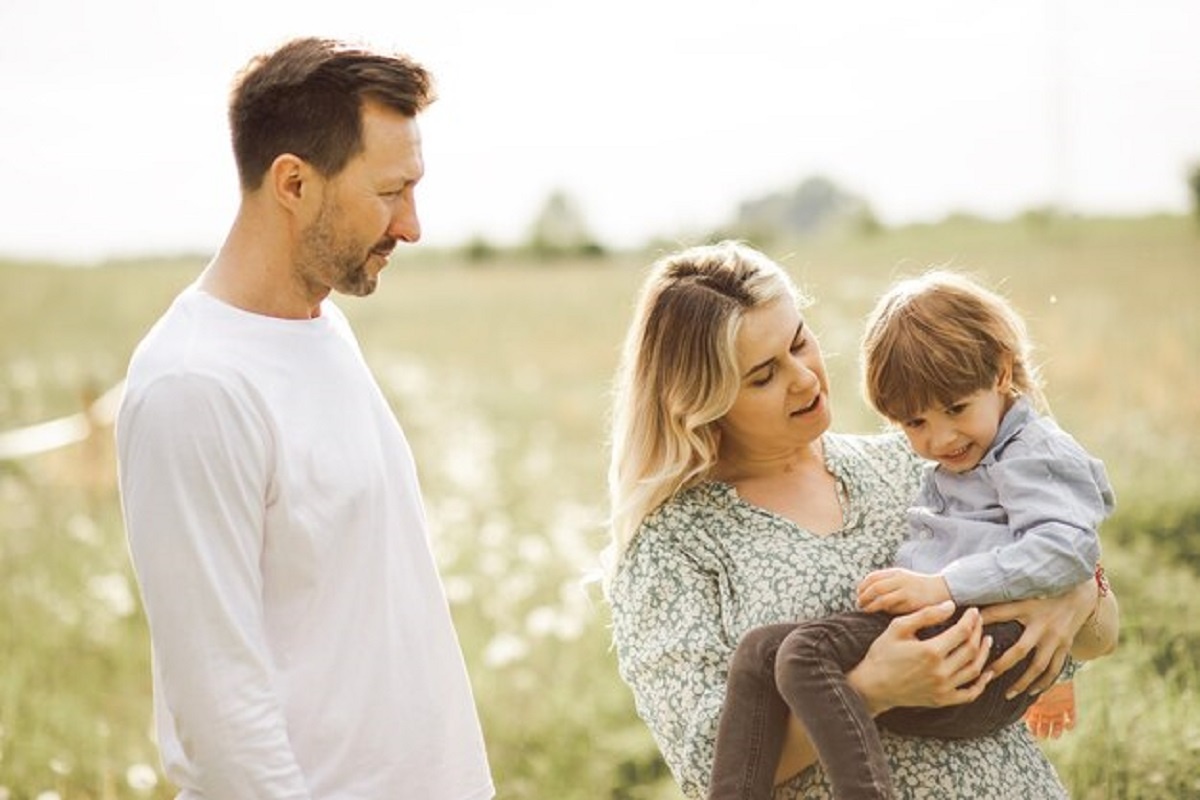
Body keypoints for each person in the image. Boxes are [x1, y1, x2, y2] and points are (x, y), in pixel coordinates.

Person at [115, 38, 494, 800]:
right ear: (293, 181)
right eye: (391, 192)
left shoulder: (321, 326)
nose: (412, 225)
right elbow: (220, 717)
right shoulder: (194, 388)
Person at [604, 242, 1119, 800]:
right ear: (703, 402)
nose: (804, 379)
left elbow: (1093, 637)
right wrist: (874, 690)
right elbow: (709, 765)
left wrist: (1081, 597)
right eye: (763, 376)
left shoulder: (920, 461)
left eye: (800, 341)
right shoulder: (674, 546)